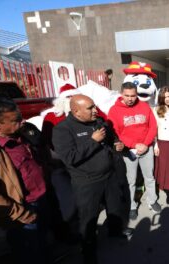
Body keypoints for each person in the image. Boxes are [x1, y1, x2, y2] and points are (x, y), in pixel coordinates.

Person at [52, 95, 128, 264]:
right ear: (76, 111)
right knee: (88, 218)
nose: (95, 110)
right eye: (90, 108)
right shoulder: (62, 130)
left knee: (114, 206)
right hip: (87, 182)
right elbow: (70, 158)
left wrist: (117, 143)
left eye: (95, 106)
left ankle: (115, 231)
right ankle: (88, 250)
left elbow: (109, 139)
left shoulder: (98, 121)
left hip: (108, 176)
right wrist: (92, 141)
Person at [0, 98, 47, 264]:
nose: (23, 121)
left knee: (41, 242)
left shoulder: (21, 134)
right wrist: (21, 214)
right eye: (15, 120)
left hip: (41, 197)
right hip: (22, 208)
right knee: (28, 250)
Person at [108, 82, 161, 221]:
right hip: (128, 151)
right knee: (130, 180)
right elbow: (115, 132)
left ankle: (152, 200)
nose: (130, 98)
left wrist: (146, 143)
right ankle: (132, 206)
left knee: (149, 177)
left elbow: (153, 126)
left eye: (133, 95)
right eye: (127, 95)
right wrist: (133, 144)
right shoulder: (114, 110)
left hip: (146, 148)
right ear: (121, 94)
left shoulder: (144, 106)